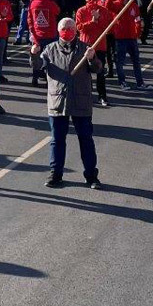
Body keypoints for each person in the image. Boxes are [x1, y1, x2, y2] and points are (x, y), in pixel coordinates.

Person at [32, 17, 103, 189]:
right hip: (58, 101)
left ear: (76, 30)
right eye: (64, 27)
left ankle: (91, 176)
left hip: (81, 100)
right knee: (57, 140)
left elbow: (98, 68)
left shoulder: (86, 49)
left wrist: (92, 58)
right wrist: (34, 54)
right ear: (58, 30)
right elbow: (38, 66)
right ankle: (56, 174)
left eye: (70, 27)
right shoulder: (49, 49)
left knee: (86, 139)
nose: (67, 30)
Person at [75, 0, 114, 106]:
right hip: (85, 45)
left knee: (100, 73)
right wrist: (93, 21)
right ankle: (86, 96)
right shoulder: (81, 11)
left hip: (100, 45)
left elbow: (108, 28)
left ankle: (102, 96)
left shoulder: (104, 11)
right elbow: (80, 28)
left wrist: (98, 19)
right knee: (85, 73)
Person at [107, 0, 149, 91]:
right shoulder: (116, 5)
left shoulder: (133, 5)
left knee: (136, 61)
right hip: (120, 38)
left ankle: (140, 83)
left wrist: (138, 32)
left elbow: (138, 19)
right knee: (120, 62)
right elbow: (108, 5)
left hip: (132, 38)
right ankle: (122, 82)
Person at [28, 0, 61, 87]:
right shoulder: (50, 3)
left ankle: (35, 78)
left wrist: (32, 32)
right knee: (50, 58)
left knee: (36, 57)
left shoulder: (33, 3)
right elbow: (57, 11)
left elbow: (29, 19)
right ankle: (48, 80)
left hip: (37, 35)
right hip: (50, 35)